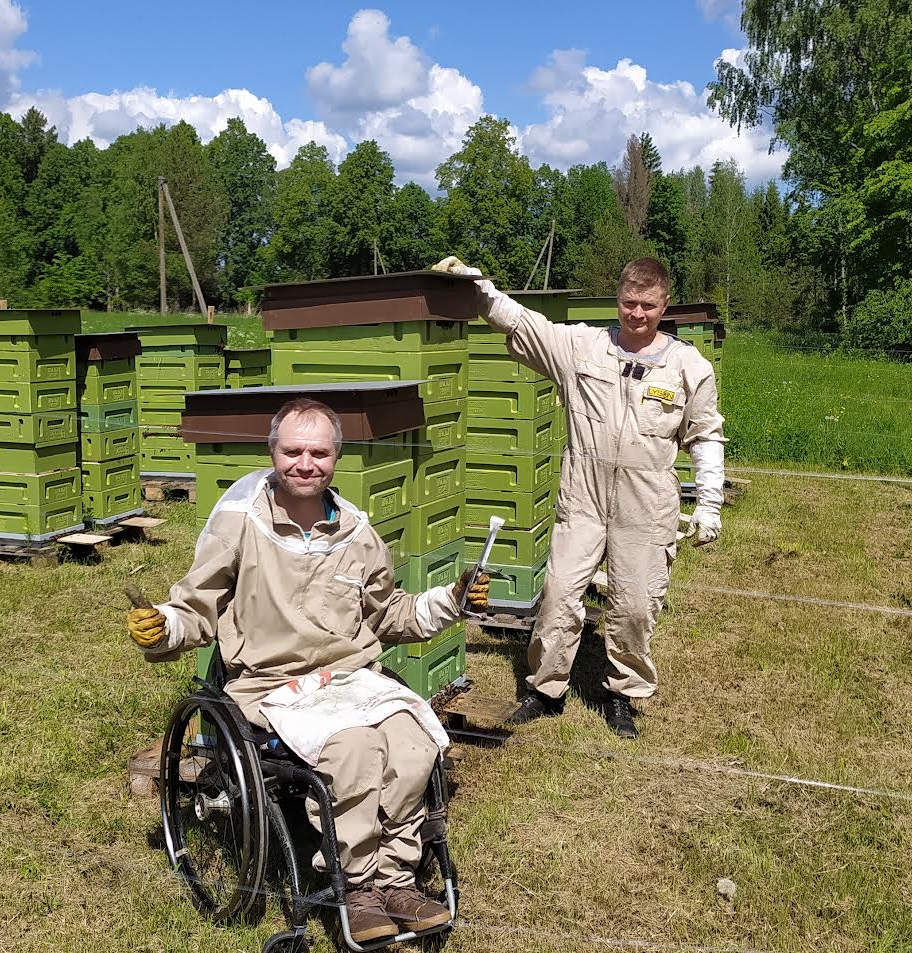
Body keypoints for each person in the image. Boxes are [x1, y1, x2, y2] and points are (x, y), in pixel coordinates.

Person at [126, 397, 489, 944]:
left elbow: (389, 613)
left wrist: (452, 600)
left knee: (415, 742)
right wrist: (164, 628)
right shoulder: (239, 525)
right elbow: (195, 609)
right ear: (272, 452)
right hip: (271, 685)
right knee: (356, 752)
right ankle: (360, 883)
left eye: (318, 452)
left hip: (350, 679)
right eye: (292, 450)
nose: (305, 463)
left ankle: (397, 880)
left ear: (336, 459)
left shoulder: (357, 534)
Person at [433, 256, 725, 739]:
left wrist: (709, 503)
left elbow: (706, 435)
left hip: (647, 504)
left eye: (647, 305)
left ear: (664, 304)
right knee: (559, 594)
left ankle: (622, 694)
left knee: (634, 605)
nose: (637, 314)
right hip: (583, 498)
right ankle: (544, 690)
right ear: (618, 300)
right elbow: (524, 322)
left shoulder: (689, 367)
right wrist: (477, 284)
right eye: (629, 303)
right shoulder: (584, 348)